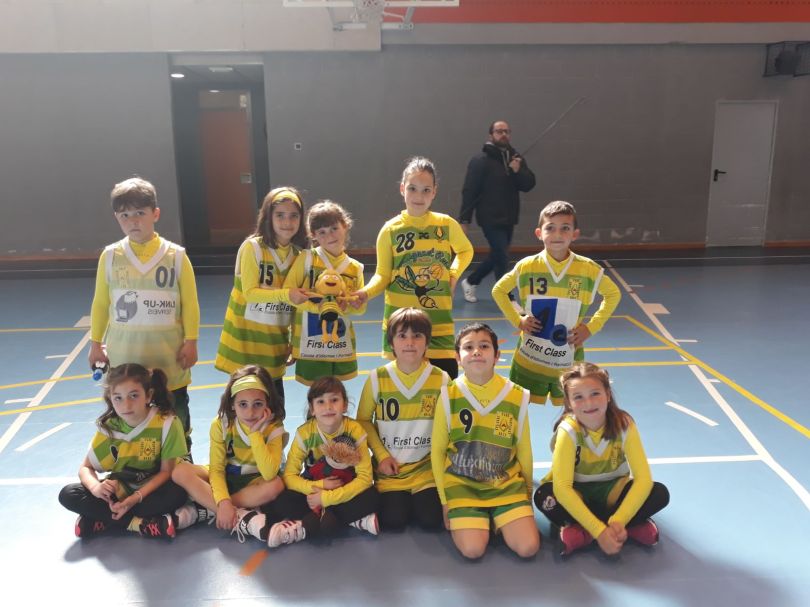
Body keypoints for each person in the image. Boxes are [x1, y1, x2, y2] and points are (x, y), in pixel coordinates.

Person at [88, 177, 200, 448]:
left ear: (155, 214)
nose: (133, 221)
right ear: (117, 218)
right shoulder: (110, 256)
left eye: (140, 213)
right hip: (126, 358)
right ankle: (131, 463)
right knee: (129, 418)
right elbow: (101, 304)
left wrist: (191, 341)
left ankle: (181, 460)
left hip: (168, 358)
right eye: (125, 215)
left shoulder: (176, 256)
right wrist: (95, 344)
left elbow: (190, 303)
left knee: (176, 418)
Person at [351, 157, 473, 378]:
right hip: (402, 327)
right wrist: (365, 293)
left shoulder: (446, 225)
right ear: (402, 189)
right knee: (405, 388)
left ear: (434, 192)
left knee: (445, 385)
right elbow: (382, 275)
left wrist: (454, 275)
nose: (419, 196)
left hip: (438, 325)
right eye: (412, 188)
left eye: (426, 190)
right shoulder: (390, 230)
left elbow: (466, 250)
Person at [492, 200, 621, 405]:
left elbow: (613, 294)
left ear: (575, 234)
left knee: (572, 406)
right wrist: (518, 320)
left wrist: (591, 327)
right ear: (539, 233)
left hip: (567, 359)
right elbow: (498, 290)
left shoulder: (588, 269)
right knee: (519, 405)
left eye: (565, 228)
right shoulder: (527, 266)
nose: (557, 234)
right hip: (529, 360)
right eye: (550, 228)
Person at [534, 362, 670, 556]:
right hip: (577, 492)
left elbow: (643, 479)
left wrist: (619, 520)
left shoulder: (624, 425)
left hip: (613, 492)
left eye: (595, 393)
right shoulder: (568, 431)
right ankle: (630, 529)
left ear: (608, 394)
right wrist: (600, 532)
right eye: (578, 397)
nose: (588, 403)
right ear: (569, 403)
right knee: (544, 497)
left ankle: (583, 533)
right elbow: (563, 489)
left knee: (659, 493)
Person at [431, 323, 540, 560]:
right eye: (468, 347)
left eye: (484, 346)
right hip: (463, 485)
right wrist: (444, 501)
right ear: (458, 357)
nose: (476, 352)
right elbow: (437, 450)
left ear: (497, 355)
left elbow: (524, 449)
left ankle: (498, 517)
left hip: (505, 484)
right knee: (473, 550)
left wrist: (527, 494)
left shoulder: (516, 394)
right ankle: (485, 520)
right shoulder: (448, 395)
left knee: (528, 548)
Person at [58, 364, 188, 539]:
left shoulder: (166, 423)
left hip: (150, 490)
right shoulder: (109, 427)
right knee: (68, 494)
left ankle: (103, 518)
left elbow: (166, 472)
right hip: (121, 490)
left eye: (134, 395)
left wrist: (135, 498)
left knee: (178, 493)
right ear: (110, 399)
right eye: (118, 398)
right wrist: (96, 488)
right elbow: (86, 468)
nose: (126, 405)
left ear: (148, 395)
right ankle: (139, 524)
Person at [170, 365, 287, 542]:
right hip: (225, 476)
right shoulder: (221, 424)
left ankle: (208, 508)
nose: (250, 412)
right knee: (180, 471)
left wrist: (255, 434)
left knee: (275, 485)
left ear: (267, 404)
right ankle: (240, 516)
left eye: (258, 404)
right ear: (232, 404)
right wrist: (224, 502)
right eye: (243, 404)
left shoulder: (274, 427)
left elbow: (269, 473)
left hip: (254, 482)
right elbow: (217, 469)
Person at [356, 307, 448, 531]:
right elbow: (363, 421)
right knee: (394, 519)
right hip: (392, 471)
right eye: (402, 335)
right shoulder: (377, 378)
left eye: (417, 335)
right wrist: (382, 455)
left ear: (427, 342)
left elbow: (449, 426)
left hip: (425, 470)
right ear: (391, 343)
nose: (410, 342)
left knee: (430, 518)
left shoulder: (441, 379)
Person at [214, 187, 311, 400]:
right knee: (242, 408)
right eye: (280, 215)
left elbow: (298, 307)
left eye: (294, 215)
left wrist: (295, 343)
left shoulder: (301, 256)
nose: (287, 222)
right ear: (268, 217)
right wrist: (286, 294)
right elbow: (250, 293)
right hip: (244, 341)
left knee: (275, 410)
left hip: (273, 344)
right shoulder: (253, 248)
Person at [268, 376, 380, 548]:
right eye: (320, 402)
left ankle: (306, 525)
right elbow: (289, 477)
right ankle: (351, 520)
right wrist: (320, 486)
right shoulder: (305, 433)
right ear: (312, 409)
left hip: (344, 487)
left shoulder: (355, 430)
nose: (328, 407)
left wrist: (327, 498)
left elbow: (365, 478)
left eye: (334, 400)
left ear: (344, 405)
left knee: (373, 496)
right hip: (315, 489)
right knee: (281, 502)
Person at [282, 201, 366, 386]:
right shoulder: (306, 259)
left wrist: (351, 306)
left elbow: (360, 309)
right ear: (313, 235)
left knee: (336, 392)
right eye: (322, 232)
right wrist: (317, 306)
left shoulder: (355, 268)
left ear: (345, 225)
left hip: (340, 342)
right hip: (310, 343)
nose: (330, 235)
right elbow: (289, 294)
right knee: (316, 393)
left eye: (334, 228)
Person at [459, 120, 536, 304]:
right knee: (502, 256)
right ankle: (506, 297)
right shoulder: (480, 160)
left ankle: (471, 281)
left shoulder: (515, 158)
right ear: (491, 135)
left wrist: (518, 171)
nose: (503, 134)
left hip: (509, 216)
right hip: (489, 217)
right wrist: (464, 220)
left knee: (497, 254)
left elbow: (528, 184)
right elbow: (469, 190)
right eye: (499, 131)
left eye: (507, 131)